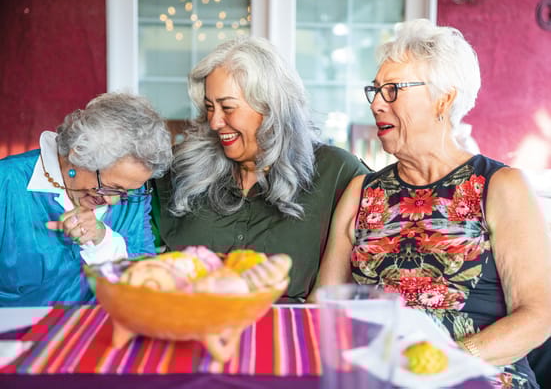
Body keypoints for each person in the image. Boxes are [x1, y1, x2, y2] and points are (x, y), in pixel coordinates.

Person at [310, 19, 551, 388]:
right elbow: (322, 307)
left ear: (444, 98)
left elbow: (540, 314)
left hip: (480, 376)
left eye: (392, 90)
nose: (376, 103)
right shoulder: (361, 191)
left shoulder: (501, 187)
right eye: (374, 91)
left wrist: (447, 361)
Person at [153, 36, 370, 303]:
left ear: (270, 107)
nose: (215, 122)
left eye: (227, 107)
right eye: (209, 107)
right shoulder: (181, 168)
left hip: (288, 335)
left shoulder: (337, 172)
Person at [0, 92, 172, 306]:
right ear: (78, 155)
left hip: (102, 332)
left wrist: (102, 239)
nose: (114, 202)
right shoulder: (7, 183)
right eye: (110, 187)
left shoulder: (132, 195)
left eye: (127, 191)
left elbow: (147, 280)